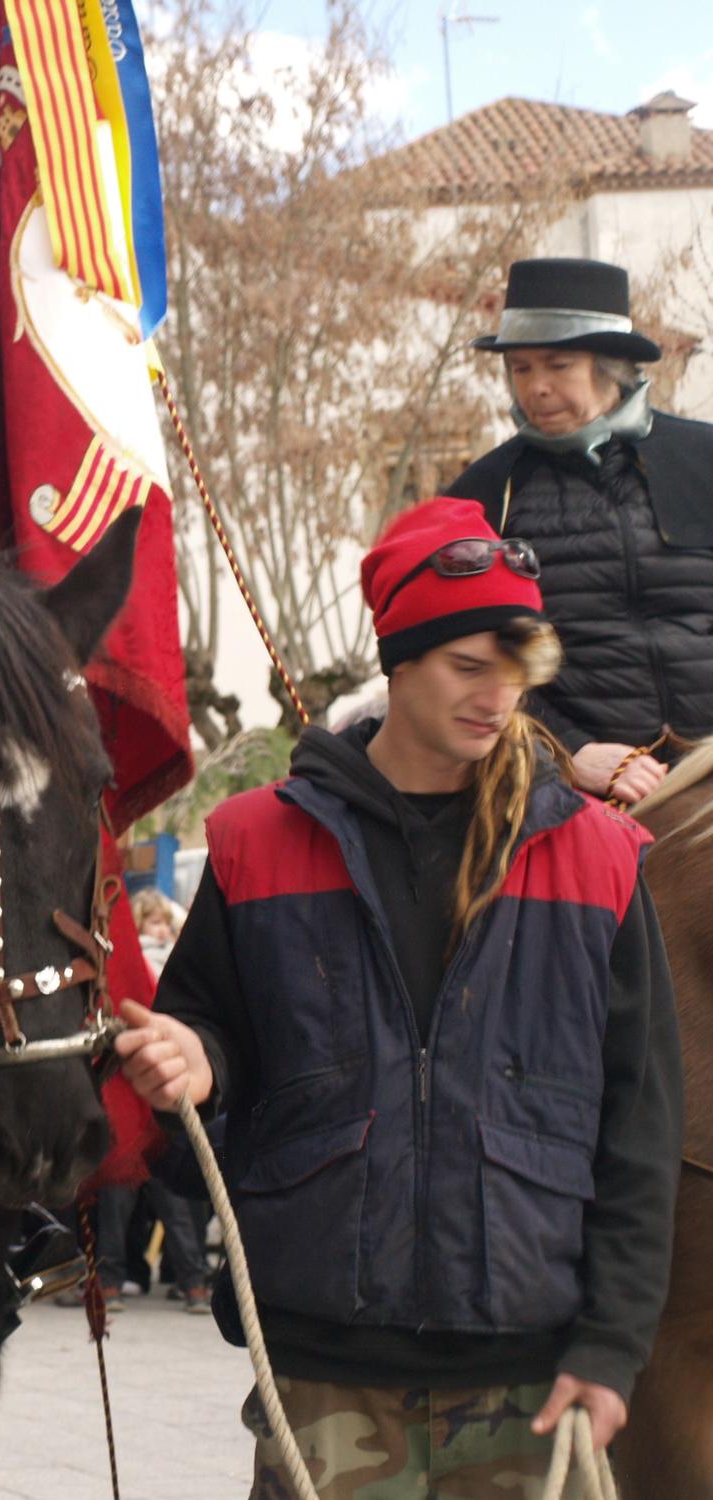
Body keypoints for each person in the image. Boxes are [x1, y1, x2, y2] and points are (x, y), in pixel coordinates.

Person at [115, 497, 682, 1498]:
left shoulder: (598, 859)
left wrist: (610, 1345)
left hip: (530, 1381)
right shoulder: (253, 841)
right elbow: (209, 1027)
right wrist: (197, 1058)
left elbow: (640, 1128)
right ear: (399, 662)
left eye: (514, 670)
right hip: (321, 1375)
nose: (496, 695)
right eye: (468, 666)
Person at [450, 256, 713, 806]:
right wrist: (569, 752)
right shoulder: (483, 495)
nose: (536, 388)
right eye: (521, 369)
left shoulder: (704, 459)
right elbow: (466, 659)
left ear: (611, 366)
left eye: (558, 365)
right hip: (580, 788)